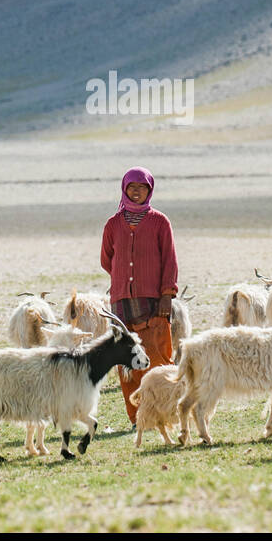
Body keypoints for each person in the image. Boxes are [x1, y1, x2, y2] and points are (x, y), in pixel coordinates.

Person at [100, 166, 178, 424]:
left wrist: (166, 294)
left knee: (158, 359)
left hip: (154, 303)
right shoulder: (112, 224)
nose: (136, 192)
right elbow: (107, 260)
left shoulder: (160, 221)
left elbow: (169, 260)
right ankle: (138, 418)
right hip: (122, 304)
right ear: (124, 189)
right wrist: (124, 279)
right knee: (128, 364)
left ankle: (166, 414)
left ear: (149, 190)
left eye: (142, 187)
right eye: (131, 187)